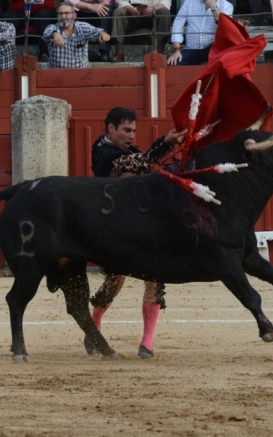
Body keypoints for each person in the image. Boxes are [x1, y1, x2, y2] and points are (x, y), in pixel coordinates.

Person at [87, 106, 185, 359]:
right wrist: (164, 143)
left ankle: (147, 343)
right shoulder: (102, 151)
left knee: (156, 278)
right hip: (116, 226)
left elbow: (144, 164)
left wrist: (172, 149)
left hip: (143, 223)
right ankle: (93, 327)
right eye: (126, 130)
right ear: (111, 128)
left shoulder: (129, 150)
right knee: (113, 284)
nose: (131, 135)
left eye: (134, 130)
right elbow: (136, 164)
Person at [42, 1, 109, 68]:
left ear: (74, 15)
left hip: (81, 74)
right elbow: (47, 33)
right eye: (60, 14)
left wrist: (102, 33)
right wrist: (55, 35)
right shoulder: (52, 27)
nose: (63, 16)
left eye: (67, 13)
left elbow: (96, 31)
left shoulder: (82, 26)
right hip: (57, 74)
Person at [167, 0, 233, 66]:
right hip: (192, 49)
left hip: (214, 49)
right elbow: (178, 23)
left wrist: (213, 7)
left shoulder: (226, 5)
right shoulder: (189, 2)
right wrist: (177, 50)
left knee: (226, 65)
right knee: (172, 64)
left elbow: (225, 28)